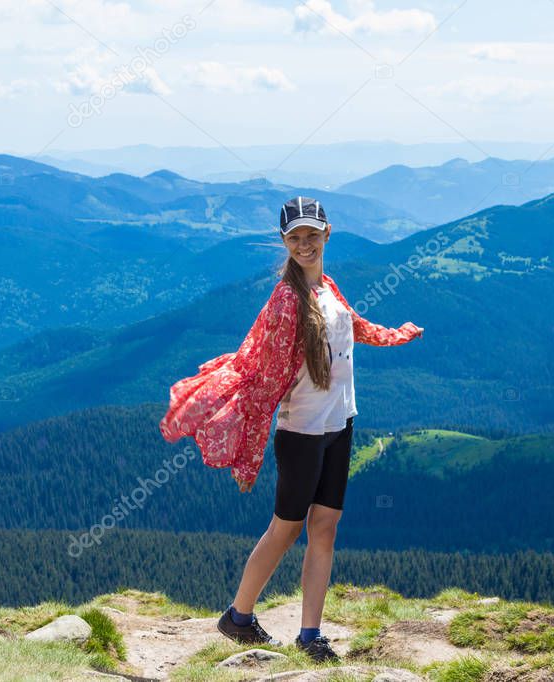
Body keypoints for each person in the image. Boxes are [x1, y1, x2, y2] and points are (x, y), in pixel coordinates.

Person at [160, 196, 423, 662]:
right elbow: (265, 380)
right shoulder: (286, 301)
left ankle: (310, 635)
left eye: (311, 235)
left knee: (325, 527)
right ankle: (238, 617)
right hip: (302, 430)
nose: (304, 244)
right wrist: (248, 448)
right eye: (295, 238)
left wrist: (396, 334)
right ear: (285, 242)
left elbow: (355, 326)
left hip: (341, 422)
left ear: (327, 234)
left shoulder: (328, 287)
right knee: (286, 528)